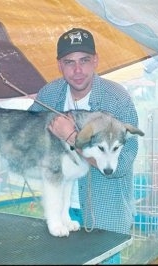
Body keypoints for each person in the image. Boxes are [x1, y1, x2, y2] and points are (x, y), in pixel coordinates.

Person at [28, 28, 140, 264]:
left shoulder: (117, 100)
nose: (77, 70)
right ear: (59, 65)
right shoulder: (49, 95)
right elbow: (23, 135)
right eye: (69, 62)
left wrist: (71, 138)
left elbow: (120, 166)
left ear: (96, 60)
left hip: (105, 217)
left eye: (84, 61)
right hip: (61, 215)